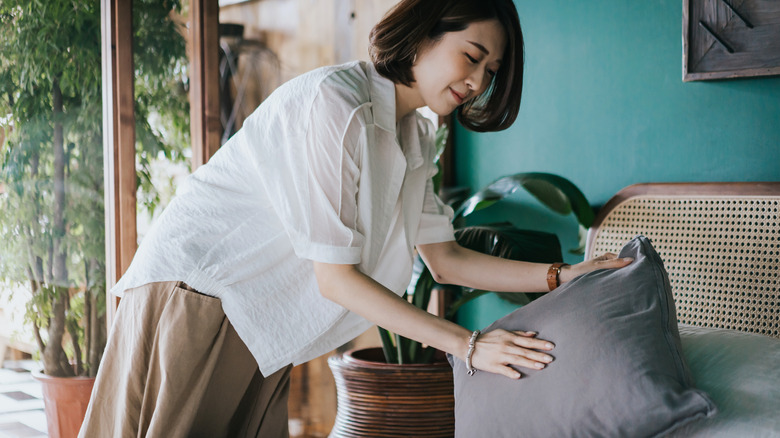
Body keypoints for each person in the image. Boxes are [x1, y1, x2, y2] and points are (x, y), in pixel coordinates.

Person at [80, 0, 632, 436]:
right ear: (422, 33)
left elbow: (442, 258)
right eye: (472, 55)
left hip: (262, 323)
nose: (479, 79)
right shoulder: (336, 105)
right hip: (201, 298)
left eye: (491, 68)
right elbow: (336, 278)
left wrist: (563, 276)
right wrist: (467, 345)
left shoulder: (416, 131)